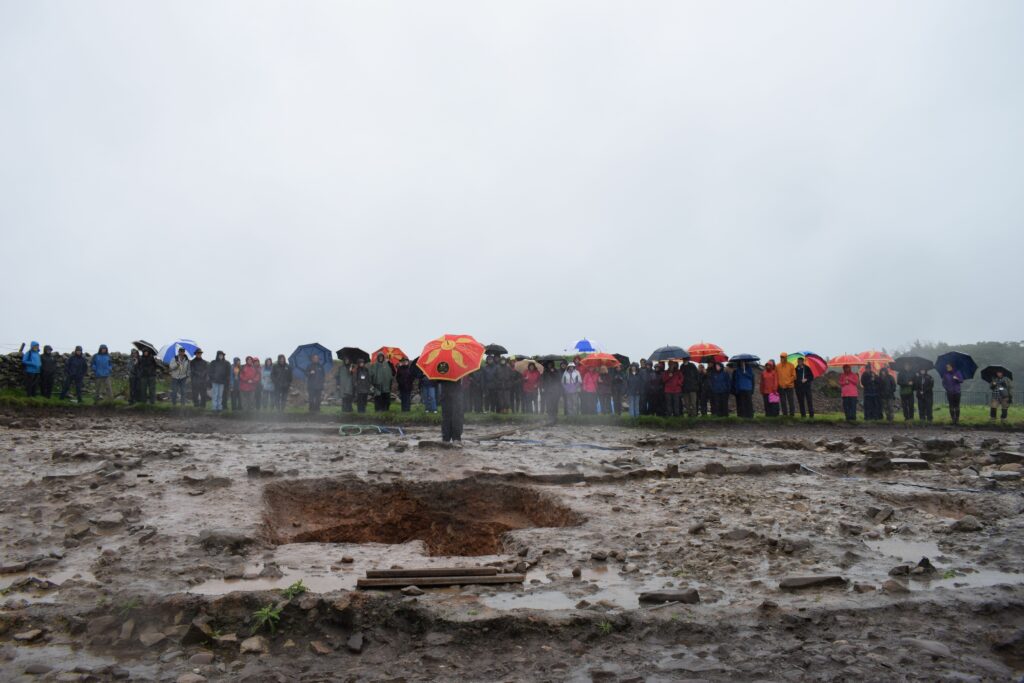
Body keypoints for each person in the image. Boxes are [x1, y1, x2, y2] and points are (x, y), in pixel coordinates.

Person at [440, 378, 465, 444]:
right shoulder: (457, 368)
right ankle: (448, 438)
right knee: (448, 416)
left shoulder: (442, 368)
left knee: (454, 416)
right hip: (448, 394)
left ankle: (453, 438)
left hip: (454, 394)